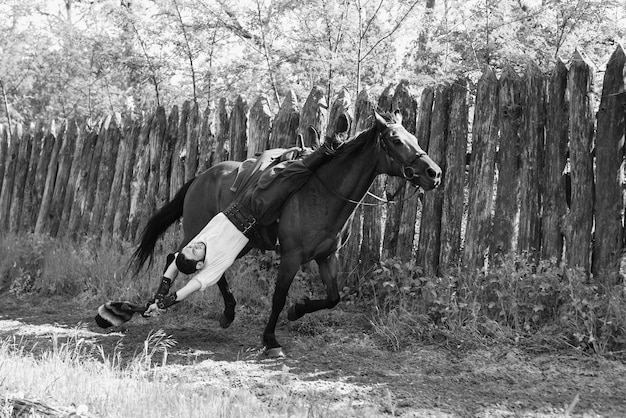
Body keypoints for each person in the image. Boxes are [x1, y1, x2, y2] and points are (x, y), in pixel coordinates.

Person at [142, 137, 341, 316]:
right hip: (257, 212)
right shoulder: (215, 265)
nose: (193, 246)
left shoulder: (199, 243)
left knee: (271, 161)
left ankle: (309, 153)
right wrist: (167, 303)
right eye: (194, 252)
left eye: (189, 247)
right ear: (201, 265)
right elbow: (189, 288)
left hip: (241, 202)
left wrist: (159, 296)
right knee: (284, 178)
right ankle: (326, 149)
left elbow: (174, 264)